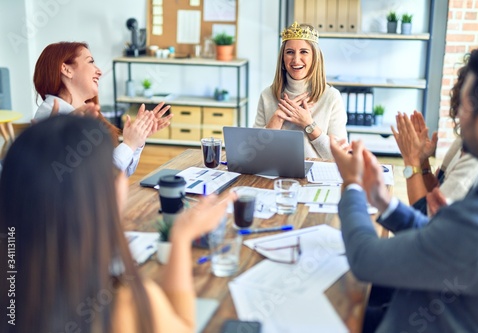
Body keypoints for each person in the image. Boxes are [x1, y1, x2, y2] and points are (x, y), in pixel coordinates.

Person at [0, 115, 232, 333]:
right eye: (112, 170)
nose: (122, 176)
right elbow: (183, 327)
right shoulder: (123, 305)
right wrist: (181, 238)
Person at [330, 44, 478, 332]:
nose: (457, 113)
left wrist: (353, 186)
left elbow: (364, 259)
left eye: (464, 105)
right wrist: (384, 201)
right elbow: (441, 239)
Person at [32, 41, 173, 177]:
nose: (99, 71)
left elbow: (121, 174)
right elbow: (101, 177)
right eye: (90, 61)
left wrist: (137, 139)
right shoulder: (52, 117)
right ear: (67, 69)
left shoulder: (81, 112)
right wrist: (129, 144)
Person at [391, 58, 478, 214]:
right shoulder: (462, 141)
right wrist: (422, 161)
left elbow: (426, 217)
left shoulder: (475, 163)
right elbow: (437, 191)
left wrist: (410, 160)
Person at [253, 22, 348, 159]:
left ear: (315, 58)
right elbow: (253, 153)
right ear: (283, 59)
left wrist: (308, 124)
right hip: (274, 175)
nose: (296, 60)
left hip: (316, 177)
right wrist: (276, 121)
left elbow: (339, 157)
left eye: (304, 52)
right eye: (290, 52)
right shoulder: (267, 95)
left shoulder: (331, 97)